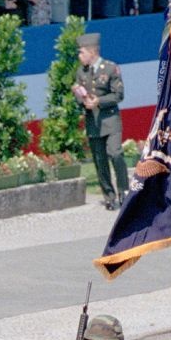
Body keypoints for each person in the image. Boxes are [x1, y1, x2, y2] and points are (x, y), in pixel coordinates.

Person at [72, 33, 129, 210]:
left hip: (110, 119)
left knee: (116, 153)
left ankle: (124, 191)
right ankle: (109, 195)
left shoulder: (111, 68)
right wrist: (83, 100)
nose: (79, 56)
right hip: (93, 121)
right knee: (99, 160)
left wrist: (99, 101)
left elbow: (118, 95)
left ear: (92, 52)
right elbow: (78, 91)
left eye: (81, 52)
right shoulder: (81, 72)